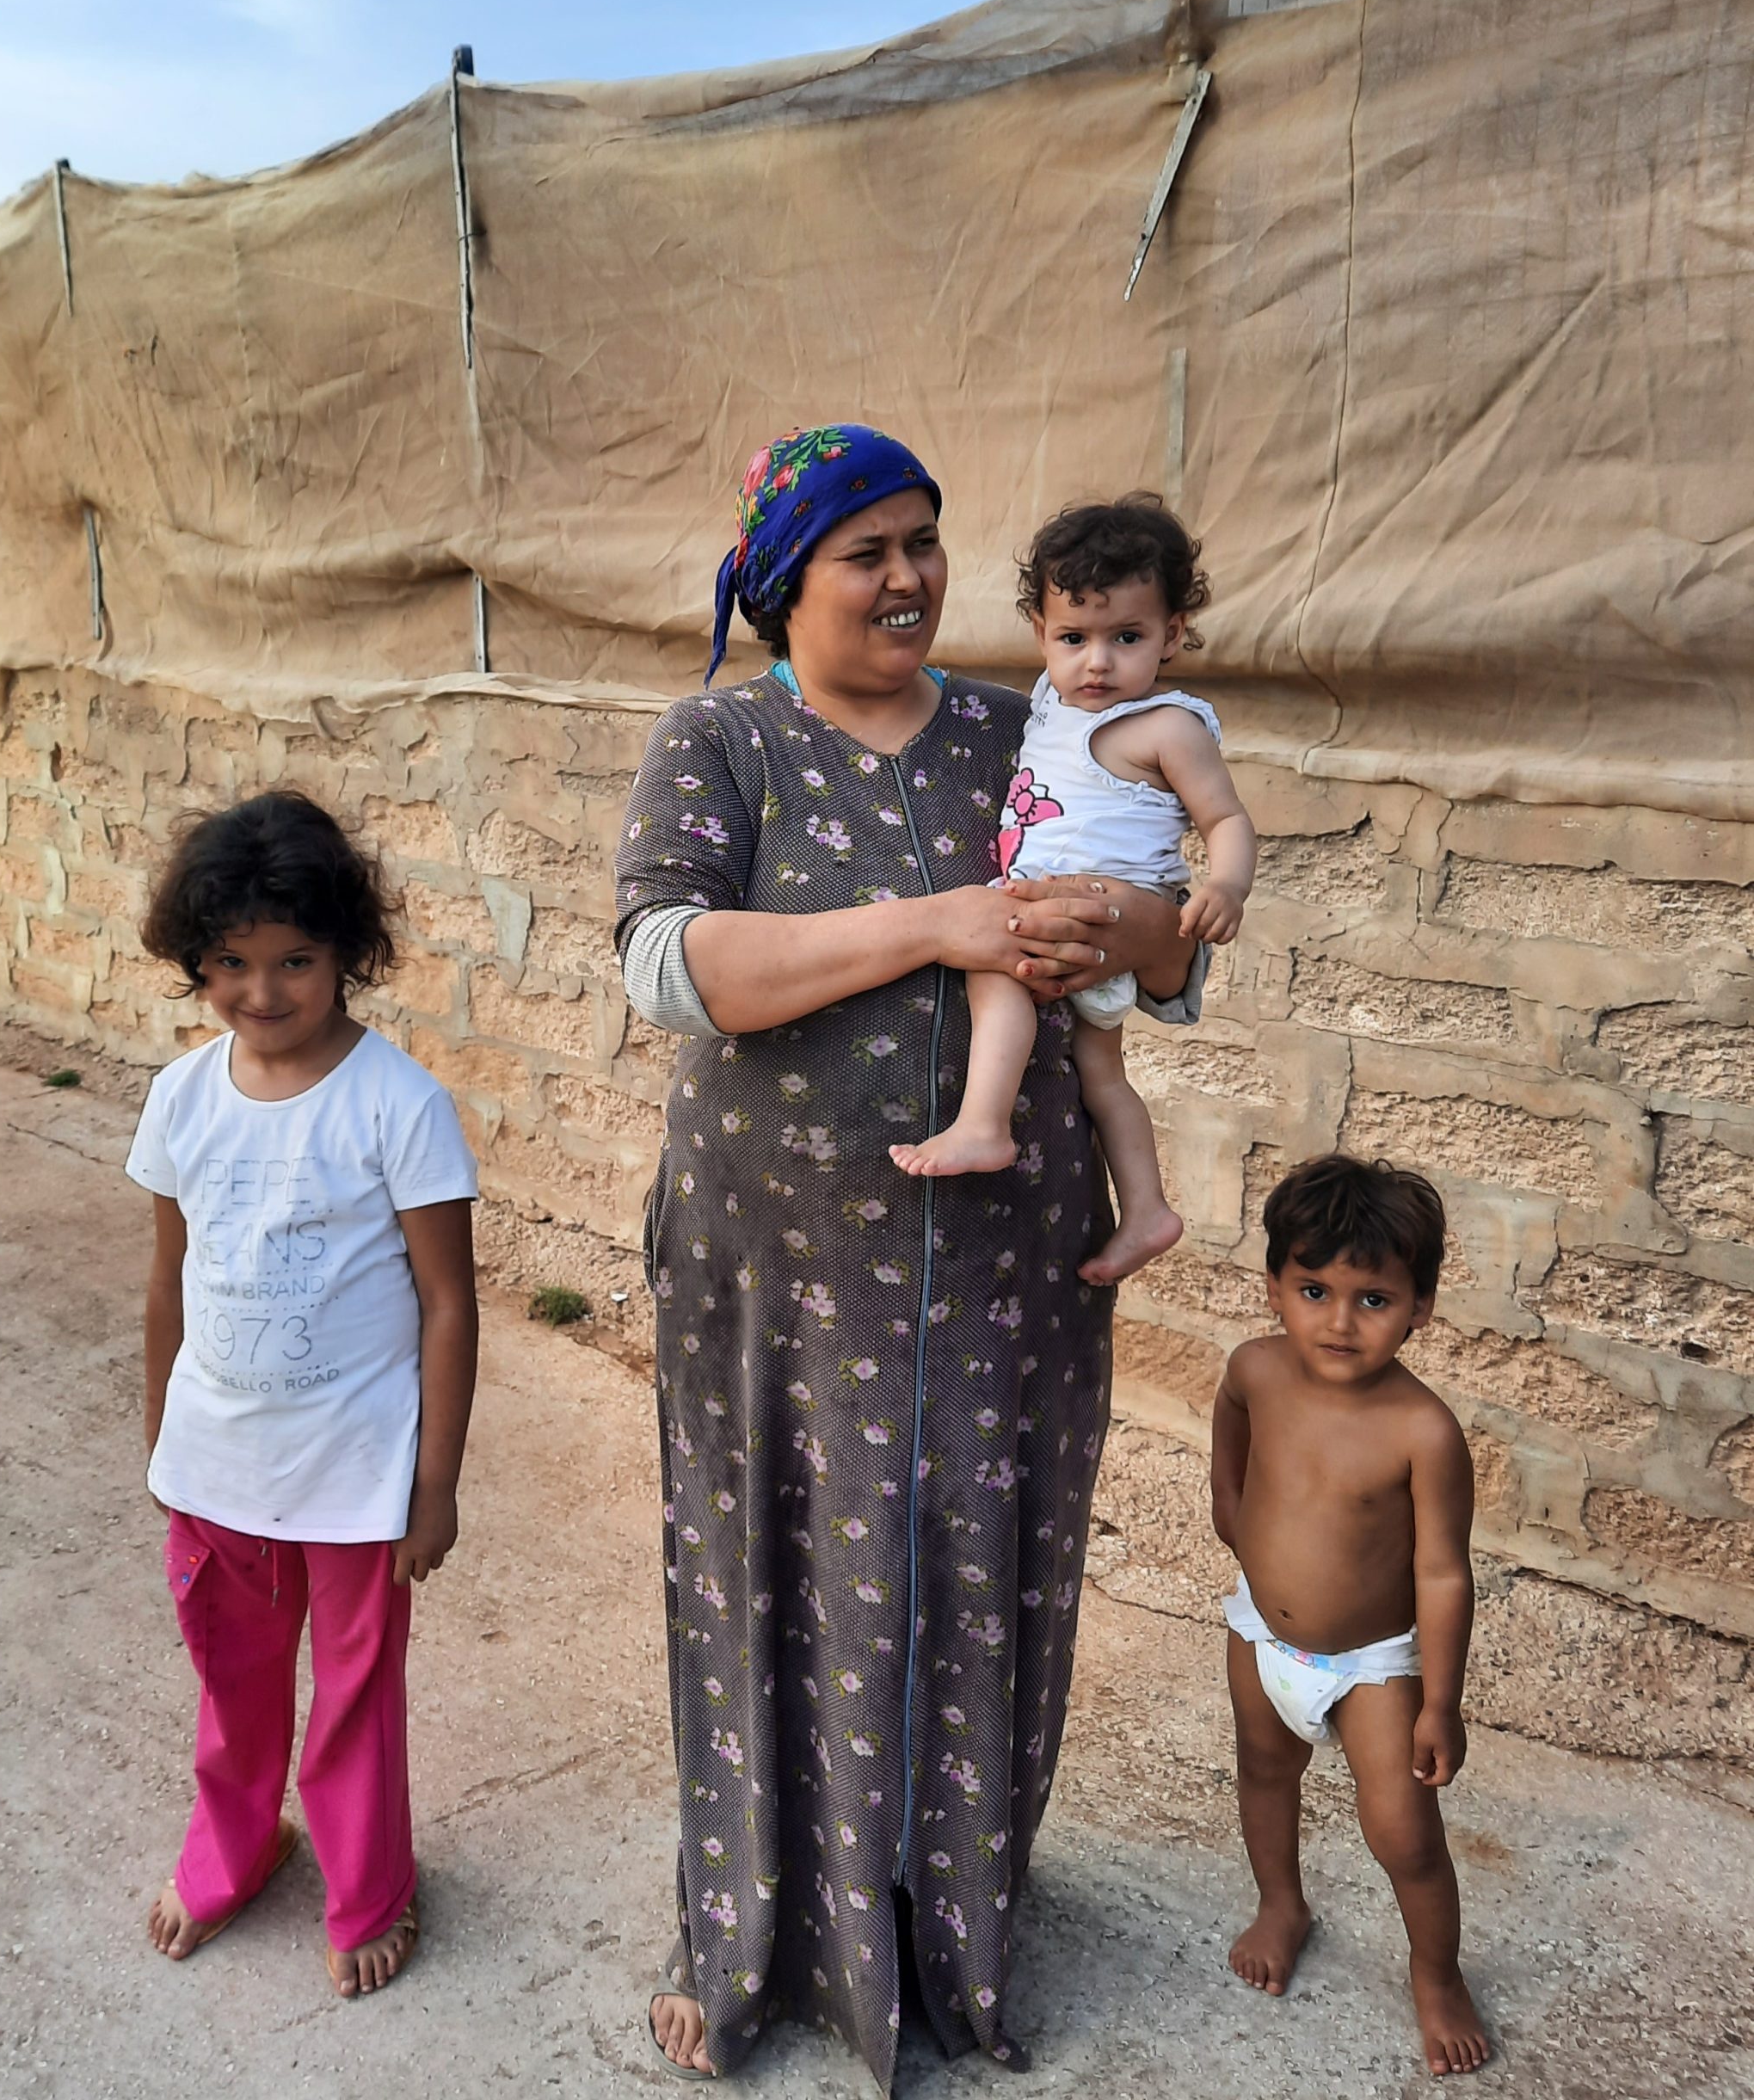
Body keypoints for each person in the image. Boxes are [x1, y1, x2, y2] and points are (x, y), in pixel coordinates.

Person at [617, 424, 1193, 2091]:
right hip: (775, 1279)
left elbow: (1166, 958)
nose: (908, 576)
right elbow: (667, 965)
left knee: (975, 1581)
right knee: (769, 1580)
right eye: (866, 549)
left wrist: (1126, 928)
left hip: (1004, 1273)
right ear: (783, 579)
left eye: (924, 540)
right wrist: (940, 923)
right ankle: (753, 1931)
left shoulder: (1031, 727)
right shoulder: (720, 740)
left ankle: (950, 1930)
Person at [126, 791, 479, 2001]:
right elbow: (169, 1277)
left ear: (345, 953)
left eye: (293, 960)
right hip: (216, 1465)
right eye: (231, 962)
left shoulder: (398, 1104)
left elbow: (447, 1303)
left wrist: (434, 1486)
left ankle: (369, 1888)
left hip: (356, 1479)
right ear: (195, 960)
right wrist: (161, 1432)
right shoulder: (181, 1098)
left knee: (354, 1704)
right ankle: (234, 1852)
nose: (262, 990)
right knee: (233, 1690)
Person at [889, 496, 1256, 1284]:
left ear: (1172, 634)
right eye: (1073, 638)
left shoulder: (1168, 727)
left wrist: (1226, 885)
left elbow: (1225, 817)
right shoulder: (1048, 704)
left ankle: (983, 1123)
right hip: (1061, 914)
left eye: (1126, 638)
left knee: (993, 974)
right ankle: (1147, 1209)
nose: (1096, 663)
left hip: (1108, 917)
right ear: (1040, 634)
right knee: (1102, 1075)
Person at [1210, 1153, 1491, 2078]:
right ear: (1273, 1288)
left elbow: (1442, 1573)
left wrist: (1438, 1701)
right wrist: (1227, 1501)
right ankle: (1280, 1904)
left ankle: (1435, 1973)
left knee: (1403, 1832)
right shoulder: (1255, 1368)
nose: (1338, 1321)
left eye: (1372, 1299)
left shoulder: (1422, 1430)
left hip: (1371, 1661)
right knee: (1263, 1770)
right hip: (1260, 1631)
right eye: (1313, 1290)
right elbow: (1230, 1417)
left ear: (1420, 1307)